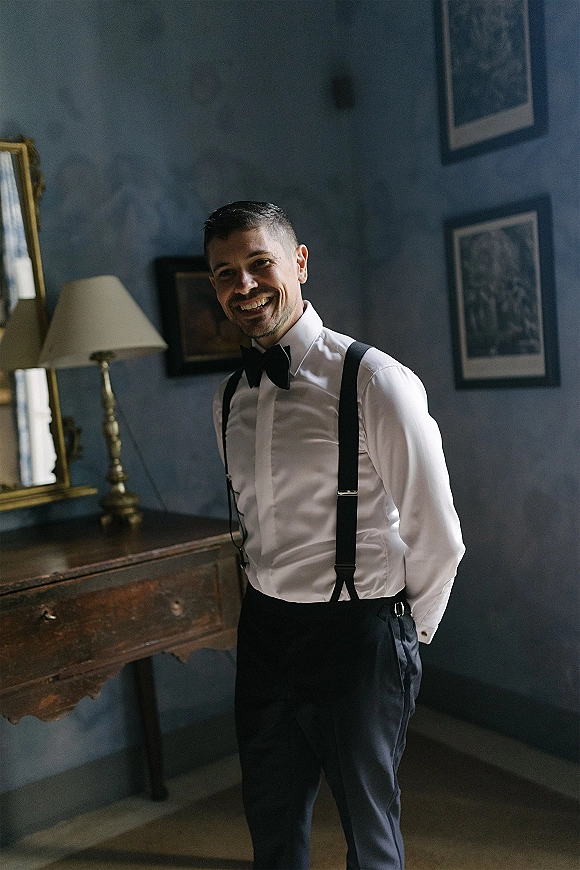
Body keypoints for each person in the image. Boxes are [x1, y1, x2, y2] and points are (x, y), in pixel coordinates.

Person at [205, 201, 465, 870]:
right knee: (271, 823)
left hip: (358, 637)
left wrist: (402, 634)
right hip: (264, 633)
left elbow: (439, 534)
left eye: (259, 264)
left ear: (298, 262)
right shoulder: (231, 396)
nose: (244, 286)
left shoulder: (375, 380)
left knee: (369, 839)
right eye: (224, 273)